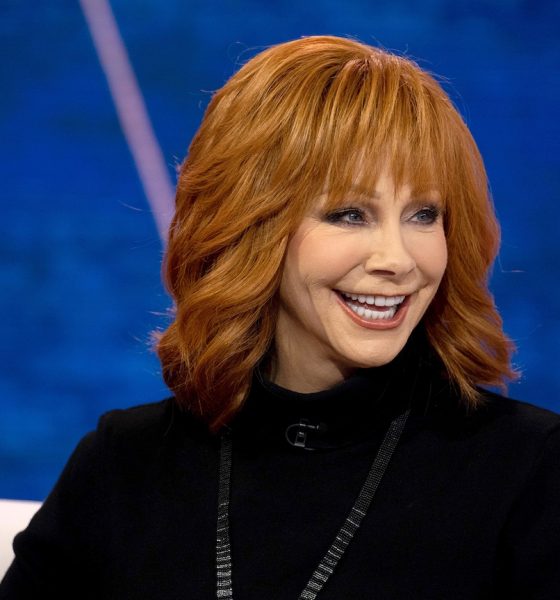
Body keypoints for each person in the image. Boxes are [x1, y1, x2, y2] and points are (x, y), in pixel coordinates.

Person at [1, 35, 559, 600]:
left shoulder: (532, 470)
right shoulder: (123, 466)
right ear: (251, 224)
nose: (397, 259)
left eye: (424, 214)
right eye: (349, 214)